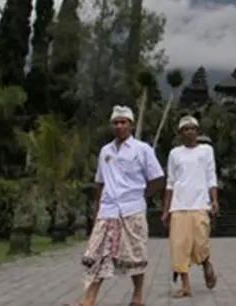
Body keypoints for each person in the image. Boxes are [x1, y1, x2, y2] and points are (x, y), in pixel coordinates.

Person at [68, 105, 165, 306]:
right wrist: (97, 212)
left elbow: (157, 178)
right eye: (116, 122)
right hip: (108, 210)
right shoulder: (106, 151)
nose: (119, 126)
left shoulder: (142, 150)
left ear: (130, 124)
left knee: (135, 256)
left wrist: (142, 196)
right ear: (111, 126)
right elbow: (100, 183)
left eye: (123, 122)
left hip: (132, 209)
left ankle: (137, 297)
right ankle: (88, 300)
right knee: (96, 255)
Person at [162, 116, 219, 298]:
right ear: (180, 133)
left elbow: (211, 177)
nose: (189, 132)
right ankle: (186, 286)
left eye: (192, 128)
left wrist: (214, 200)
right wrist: (165, 210)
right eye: (185, 129)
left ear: (197, 131)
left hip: (200, 204)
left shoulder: (206, 151)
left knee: (200, 243)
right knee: (179, 246)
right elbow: (170, 182)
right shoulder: (174, 154)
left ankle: (206, 263)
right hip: (178, 206)